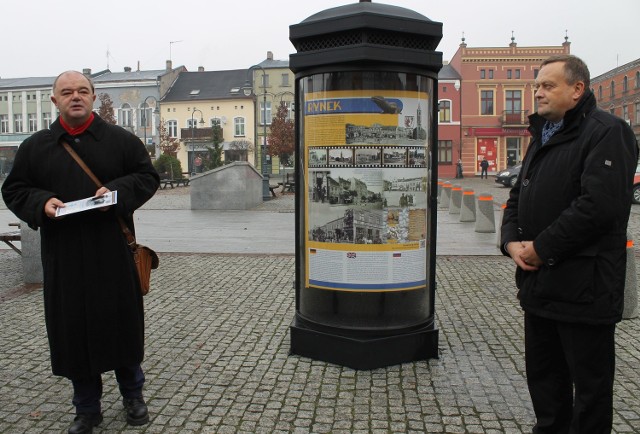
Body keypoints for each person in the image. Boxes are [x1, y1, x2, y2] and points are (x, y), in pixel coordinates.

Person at [2, 71, 160, 434]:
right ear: (54, 100)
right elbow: (16, 190)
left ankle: (133, 396)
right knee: (74, 331)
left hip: (112, 250)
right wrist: (42, 202)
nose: (76, 96)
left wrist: (115, 192)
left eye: (83, 91)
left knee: (122, 326)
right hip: (65, 253)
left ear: (92, 98)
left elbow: (147, 178)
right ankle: (87, 408)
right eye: (67, 92)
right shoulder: (35, 147)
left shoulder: (121, 140)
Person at [500, 55, 637, 433]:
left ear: (577, 90)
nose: (538, 93)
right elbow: (517, 198)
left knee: (590, 396)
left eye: (548, 85)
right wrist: (511, 243)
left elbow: (599, 207)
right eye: (536, 86)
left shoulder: (607, 132)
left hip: (584, 290)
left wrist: (541, 247)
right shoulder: (542, 135)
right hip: (538, 288)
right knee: (545, 386)